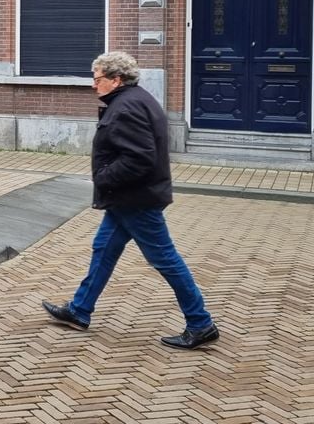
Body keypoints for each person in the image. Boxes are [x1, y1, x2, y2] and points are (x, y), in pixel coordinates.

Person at [42, 51, 219, 350]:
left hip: (136, 199)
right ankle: (79, 310)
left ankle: (200, 323)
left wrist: (104, 177)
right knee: (103, 249)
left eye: (97, 79)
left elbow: (140, 158)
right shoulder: (136, 99)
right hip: (128, 198)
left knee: (165, 259)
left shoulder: (126, 108)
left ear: (116, 79)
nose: (93, 85)